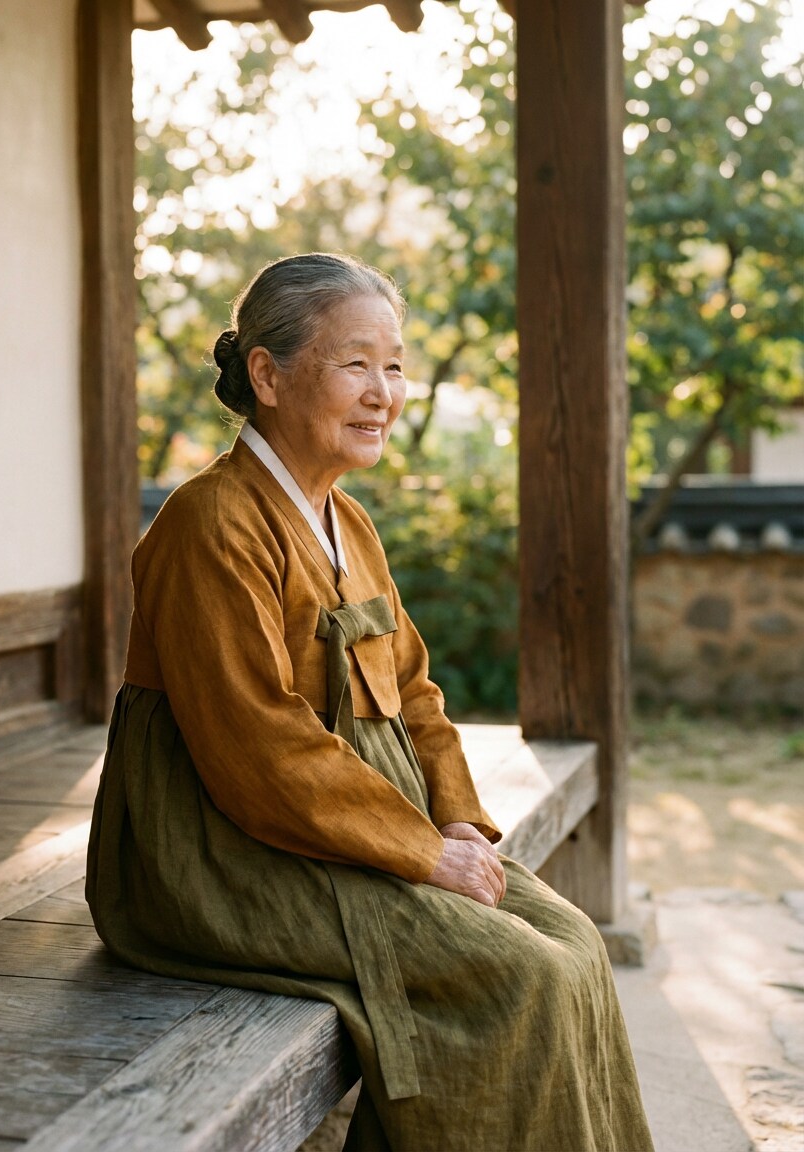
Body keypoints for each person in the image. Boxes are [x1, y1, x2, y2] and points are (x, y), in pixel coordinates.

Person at [86, 252, 654, 1152]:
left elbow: (415, 693)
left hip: (361, 825)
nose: (383, 393)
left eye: (393, 366)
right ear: (268, 375)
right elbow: (258, 750)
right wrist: (422, 854)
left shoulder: (347, 520)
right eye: (355, 363)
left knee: (573, 942)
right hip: (221, 850)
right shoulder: (210, 523)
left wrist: (458, 821)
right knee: (522, 978)